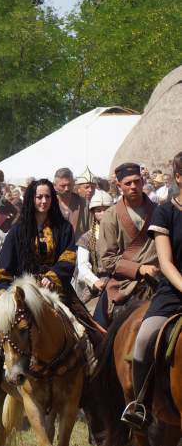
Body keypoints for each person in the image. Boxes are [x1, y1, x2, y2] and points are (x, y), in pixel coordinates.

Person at [0, 179, 83, 409]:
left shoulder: (64, 229)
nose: (43, 201)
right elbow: (3, 268)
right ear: (31, 200)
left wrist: (52, 277)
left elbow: (69, 257)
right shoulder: (18, 231)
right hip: (21, 294)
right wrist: (4, 294)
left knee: (89, 330)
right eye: (39, 197)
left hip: (57, 290)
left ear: (52, 200)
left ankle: (90, 392)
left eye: (47, 197)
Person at [122, 152, 182, 431]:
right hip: (174, 291)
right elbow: (166, 263)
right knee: (144, 338)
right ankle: (141, 404)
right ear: (179, 178)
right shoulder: (165, 212)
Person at [94, 162, 159, 327]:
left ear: (143, 181)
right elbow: (108, 260)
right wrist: (139, 269)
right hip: (126, 284)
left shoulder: (159, 211)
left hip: (160, 279)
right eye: (128, 183)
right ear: (119, 185)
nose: (133, 186)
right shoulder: (111, 216)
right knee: (98, 333)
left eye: (137, 181)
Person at [74, 189, 114, 301]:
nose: (103, 213)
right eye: (99, 210)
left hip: (121, 282)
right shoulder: (86, 238)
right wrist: (95, 281)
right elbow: (82, 265)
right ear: (93, 213)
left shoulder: (121, 233)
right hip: (97, 286)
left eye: (107, 210)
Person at [54, 167, 90, 239]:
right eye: (63, 186)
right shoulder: (50, 204)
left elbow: (92, 230)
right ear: (55, 186)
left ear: (73, 184)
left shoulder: (85, 204)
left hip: (80, 248)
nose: (67, 189)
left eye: (69, 185)